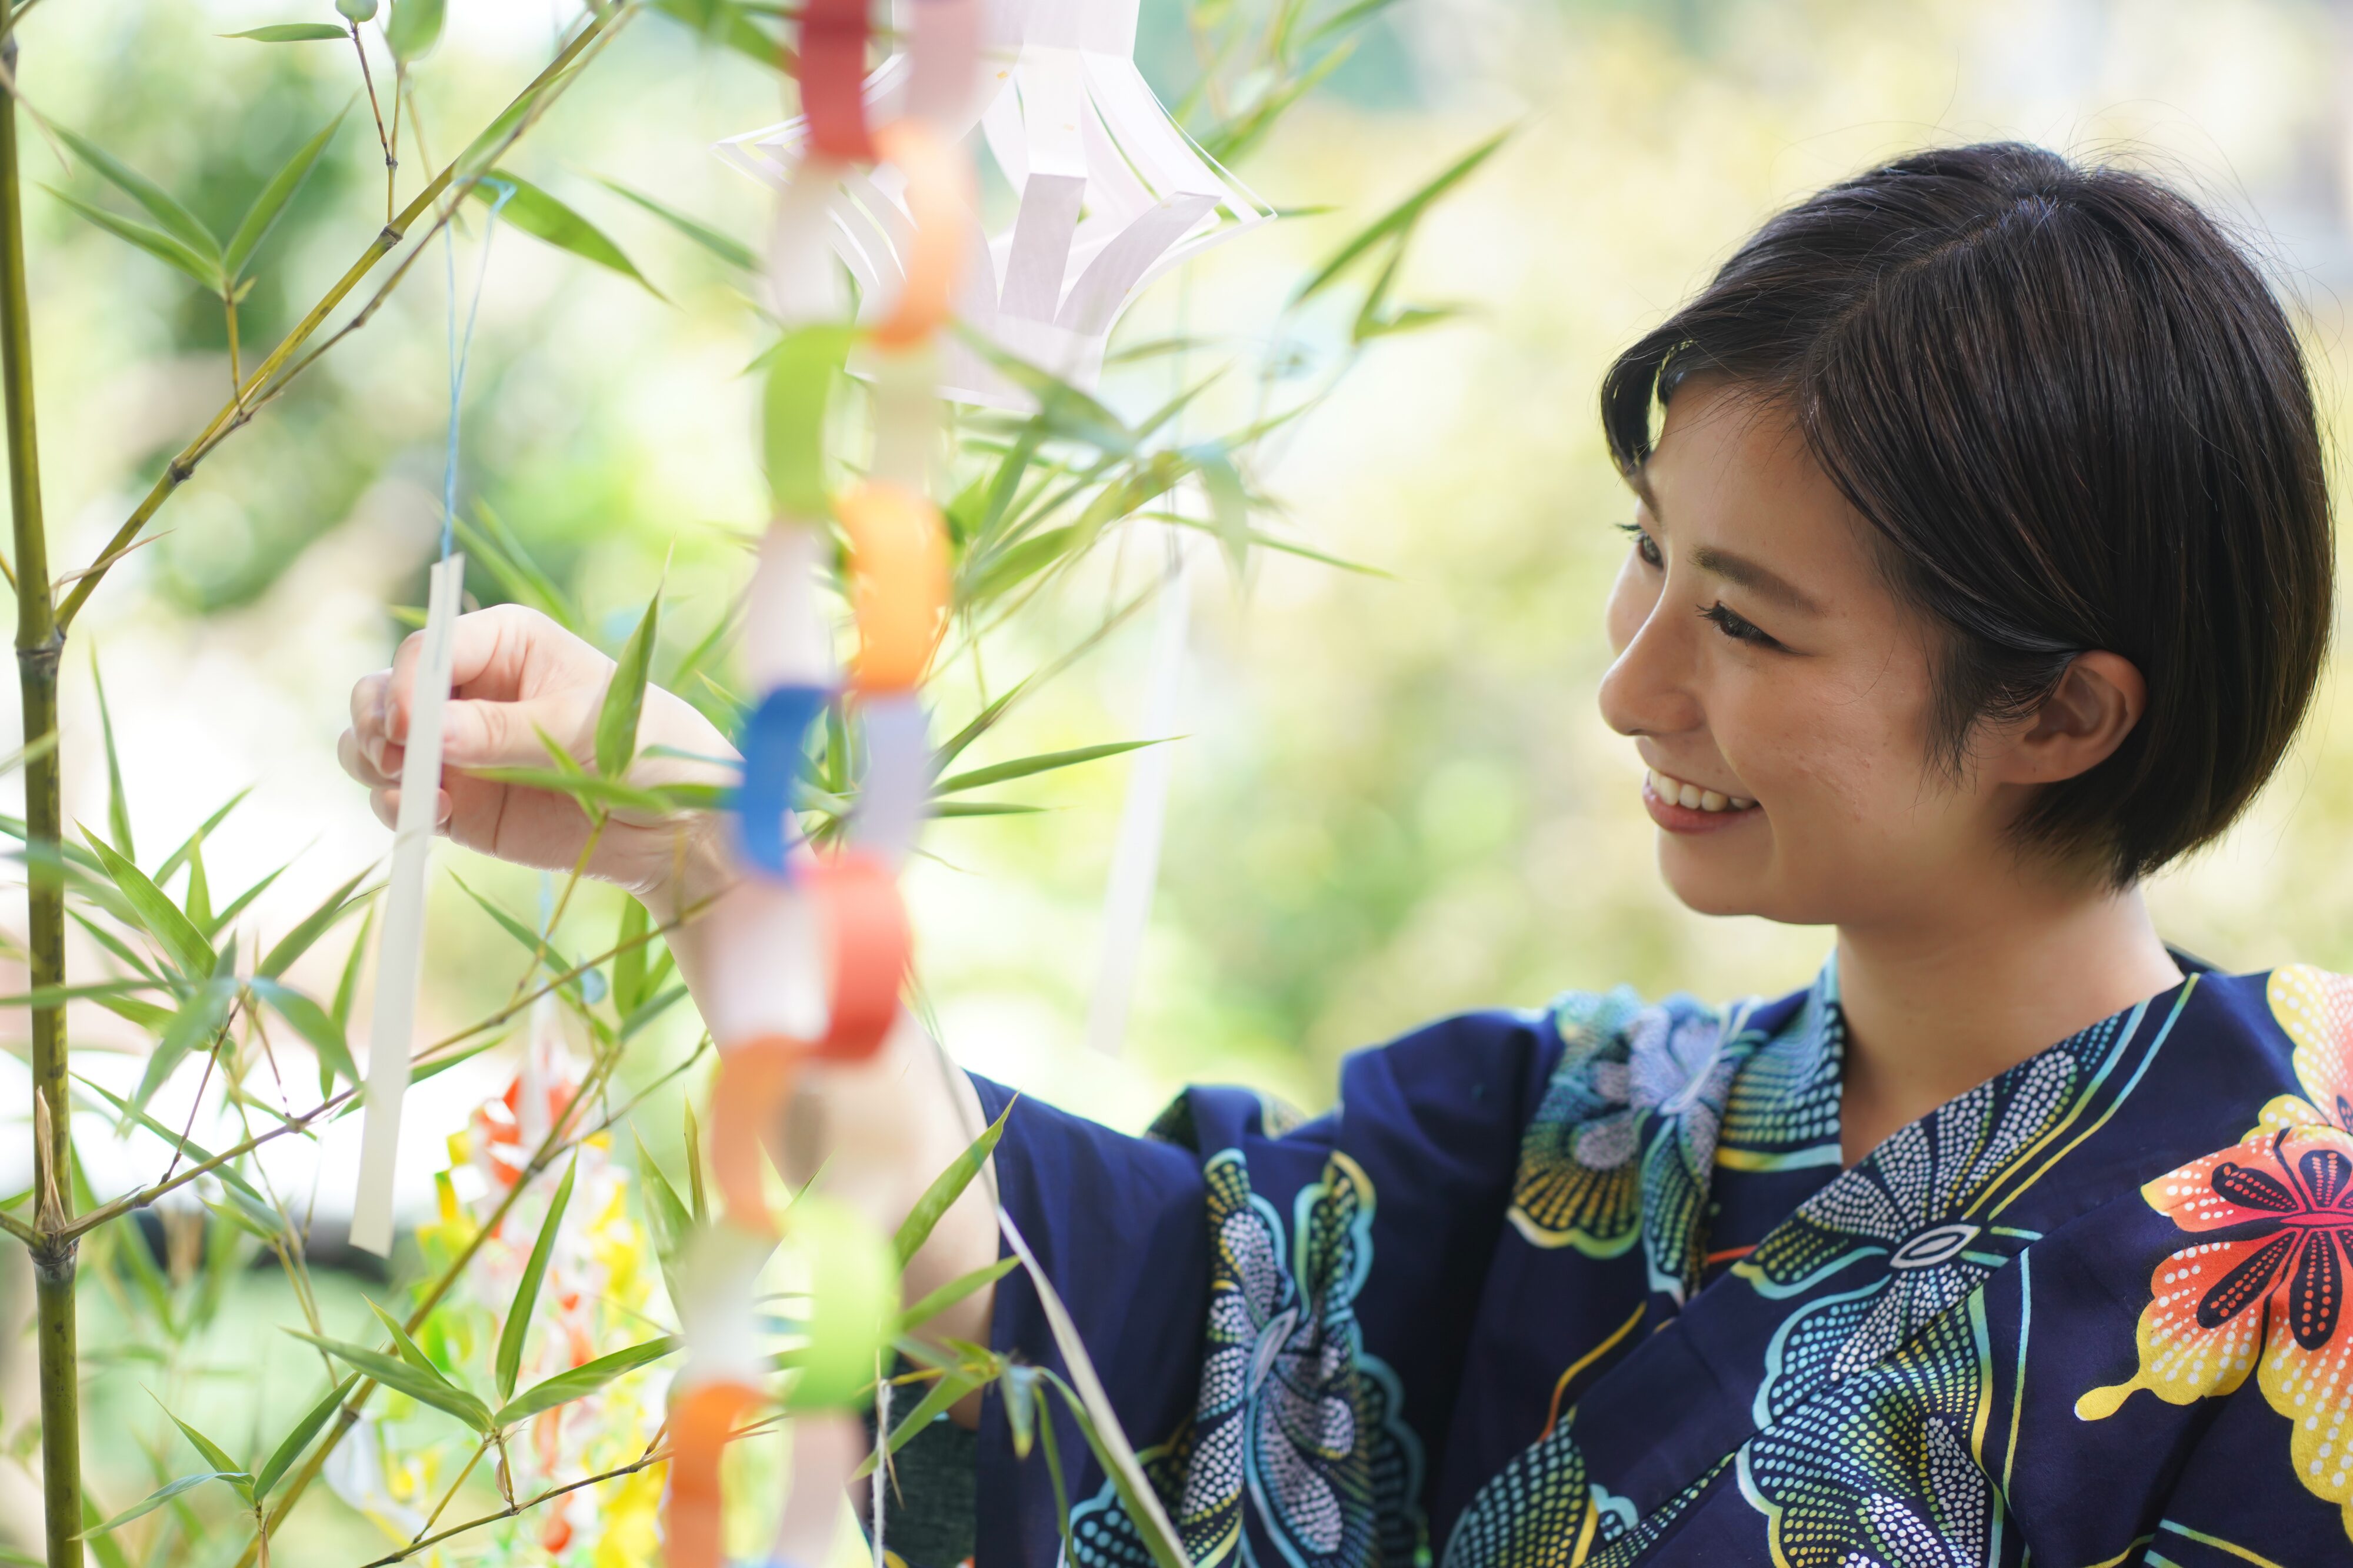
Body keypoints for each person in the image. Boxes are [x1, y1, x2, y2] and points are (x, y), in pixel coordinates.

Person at [339, 142, 2352, 1565]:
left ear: (2062, 712)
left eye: (1744, 622)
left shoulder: (2299, 1272)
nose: (1632, 684)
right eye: (1643, 557)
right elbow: (1061, 1330)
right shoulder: (1566, 1132)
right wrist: (720, 860)